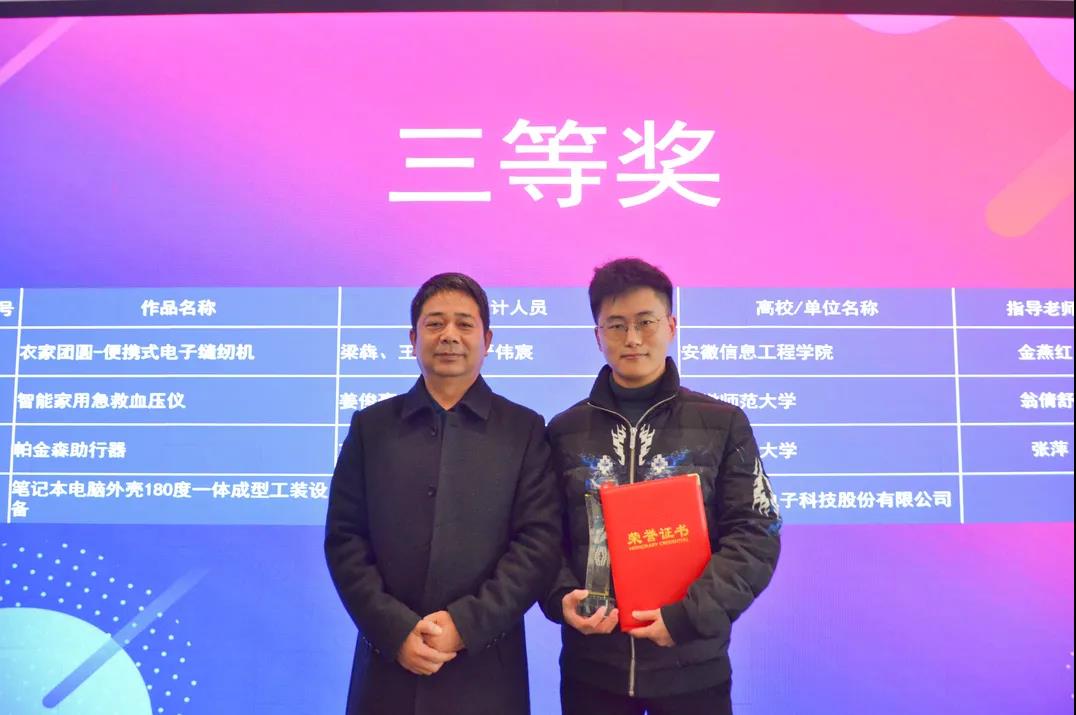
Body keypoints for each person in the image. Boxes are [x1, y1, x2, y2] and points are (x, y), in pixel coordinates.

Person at [541, 258, 782, 715]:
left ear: (671, 326)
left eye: (645, 322)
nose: (632, 338)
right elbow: (543, 534)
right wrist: (560, 596)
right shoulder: (564, 432)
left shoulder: (722, 423)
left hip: (694, 667)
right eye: (616, 325)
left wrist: (689, 616)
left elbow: (756, 532)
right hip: (594, 669)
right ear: (597, 335)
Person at [325, 272, 561, 715]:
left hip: (486, 668)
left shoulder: (524, 430)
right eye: (434, 324)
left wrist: (465, 625)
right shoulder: (371, 428)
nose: (449, 335)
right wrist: (394, 630)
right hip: (388, 666)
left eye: (464, 324)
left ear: (487, 340)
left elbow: (538, 544)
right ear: (413, 339)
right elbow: (345, 538)